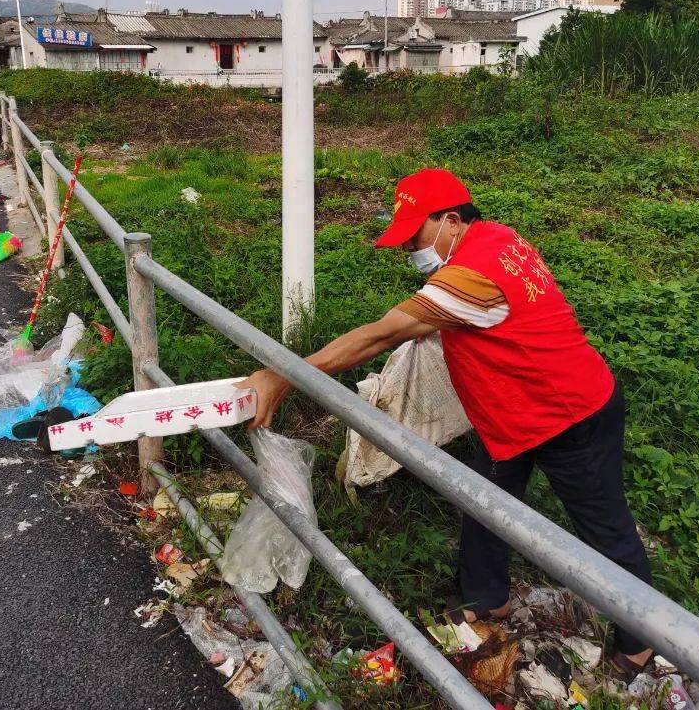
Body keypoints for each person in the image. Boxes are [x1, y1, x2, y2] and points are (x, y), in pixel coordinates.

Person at [238, 168, 655, 679]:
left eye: (414, 236)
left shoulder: (472, 272)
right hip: (513, 416)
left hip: (570, 415)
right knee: (482, 502)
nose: (408, 250)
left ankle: (642, 642)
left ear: (452, 221)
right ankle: (488, 598)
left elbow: (377, 337)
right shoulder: (497, 237)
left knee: (606, 531)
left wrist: (280, 376)